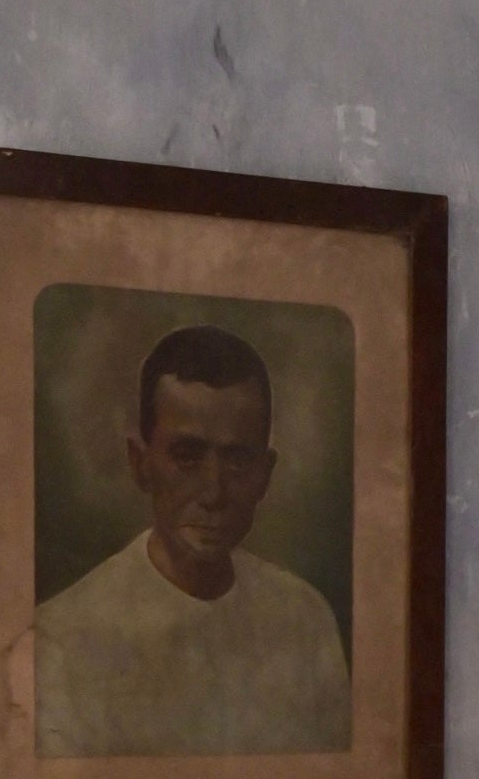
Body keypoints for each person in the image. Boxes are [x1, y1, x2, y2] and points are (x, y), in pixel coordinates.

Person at [34, 323, 353, 757]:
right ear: (140, 464)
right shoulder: (62, 639)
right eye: (187, 456)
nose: (213, 492)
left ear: (264, 475)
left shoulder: (307, 619)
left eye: (237, 460)